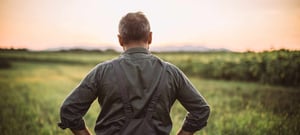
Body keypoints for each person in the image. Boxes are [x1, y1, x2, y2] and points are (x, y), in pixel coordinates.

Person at [58, 12, 210, 135]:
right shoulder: (171, 72)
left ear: (120, 39)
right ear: (150, 37)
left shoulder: (102, 71)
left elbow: (69, 110)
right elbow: (201, 110)